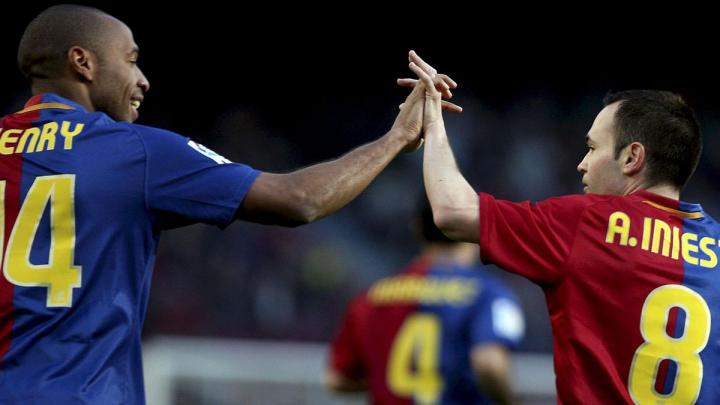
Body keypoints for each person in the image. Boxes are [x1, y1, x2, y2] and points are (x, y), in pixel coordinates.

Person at [0, 6, 463, 404]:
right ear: (82, 62)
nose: (142, 80)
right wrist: (396, 138)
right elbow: (299, 200)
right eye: (131, 60)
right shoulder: (133, 151)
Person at [408, 51, 718, 403]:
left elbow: (453, 211)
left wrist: (432, 122)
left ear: (632, 158)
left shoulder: (587, 223)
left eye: (592, 148)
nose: (582, 164)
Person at [326, 197, 525, 405]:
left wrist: (387, 379)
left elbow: (337, 379)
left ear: (417, 228)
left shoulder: (370, 298)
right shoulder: (488, 294)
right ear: (477, 225)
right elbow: (489, 364)